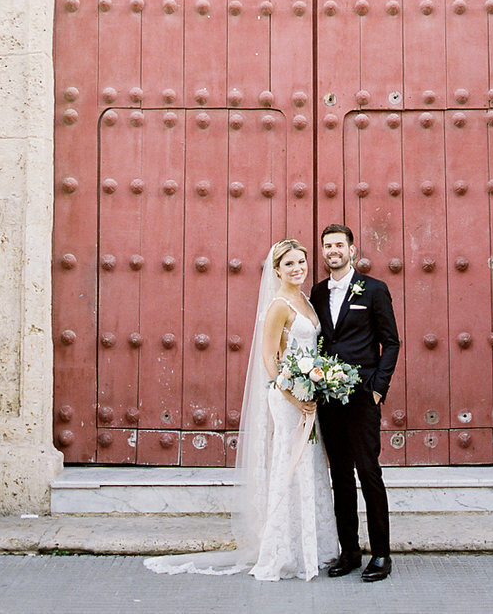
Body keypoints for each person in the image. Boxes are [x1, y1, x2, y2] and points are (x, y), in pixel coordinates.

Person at [143, 237, 338, 582]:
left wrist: (317, 384)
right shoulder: (279, 304)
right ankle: (282, 548)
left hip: (308, 394)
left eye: (301, 262)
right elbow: (268, 357)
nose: (297, 268)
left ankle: (311, 546)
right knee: (288, 464)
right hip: (289, 397)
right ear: (276, 269)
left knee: (307, 465)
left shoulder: (306, 300)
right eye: (289, 263)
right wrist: (294, 395)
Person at [310, 222, 400, 583]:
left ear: (352, 249)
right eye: (327, 246)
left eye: (339, 245)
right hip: (328, 400)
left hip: (363, 397)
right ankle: (350, 551)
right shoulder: (317, 293)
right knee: (341, 477)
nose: (333, 251)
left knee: (369, 473)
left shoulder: (374, 290)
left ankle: (381, 554)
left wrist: (378, 387)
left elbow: (391, 341)